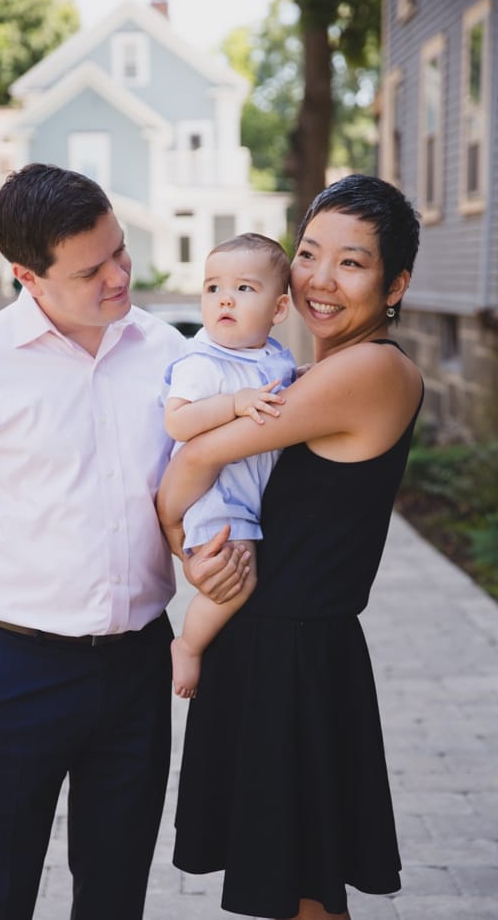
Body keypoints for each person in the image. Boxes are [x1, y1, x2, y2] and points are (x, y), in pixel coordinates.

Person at [0, 163, 249, 920]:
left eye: (120, 252)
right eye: (92, 269)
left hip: (136, 670)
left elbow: (188, 492)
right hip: (12, 670)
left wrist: (207, 551)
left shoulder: (172, 357)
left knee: (116, 894)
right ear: (29, 275)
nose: (120, 275)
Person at [159, 175, 422, 920]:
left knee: (304, 892)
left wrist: (179, 535)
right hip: (272, 640)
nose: (319, 279)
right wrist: (195, 552)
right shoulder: (306, 371)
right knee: (296, 886)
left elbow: (190, 462)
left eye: (353, 262)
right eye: (309, 254)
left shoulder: (373, 369)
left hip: (297, 657)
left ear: (395, 282)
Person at [163, 233, 297, 698]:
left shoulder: (275, 356)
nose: (225, 298)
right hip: (216, 496)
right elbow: (178, 421)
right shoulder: (203, 360)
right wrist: (234, 403)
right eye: (212, 287)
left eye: (244, 289)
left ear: (278, 310)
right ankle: (189, 646)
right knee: (239, 581)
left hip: (251, 492)